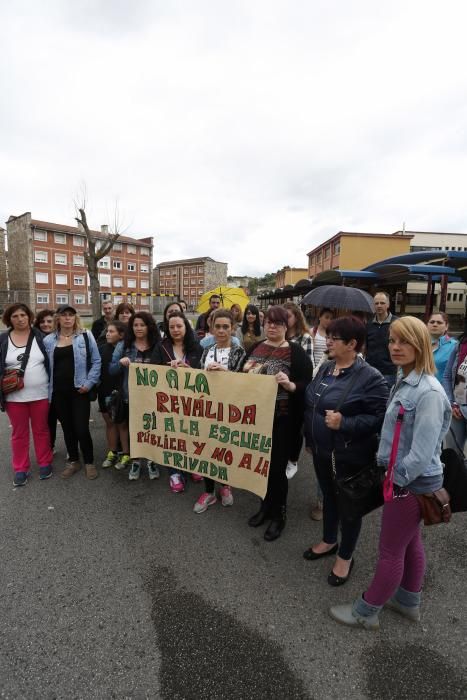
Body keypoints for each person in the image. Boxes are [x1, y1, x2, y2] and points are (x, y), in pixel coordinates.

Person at [330, 316, 451, 630]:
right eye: (393, 340)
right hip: (408, 479)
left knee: (389, 550)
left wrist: (394, 481)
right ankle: (408, 601)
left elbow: (422, 454)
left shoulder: (428, 392)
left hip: (410, 482)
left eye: (404, 342)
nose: (395, 347)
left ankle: (366, 611)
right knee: (410, 543)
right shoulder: (406, 377)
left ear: (420, 345)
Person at [303, 316, 389, 584]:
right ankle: (329, 540)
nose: (327, 341)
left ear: (352, 344)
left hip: (349, 455)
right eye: (328, 335)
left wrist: (346, 423)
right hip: (321, 450)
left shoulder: (370, 377)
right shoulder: (327, 367)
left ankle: (345, 556)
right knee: (329, 496)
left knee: (349, 506)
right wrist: (310, 438)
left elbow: (380, 417)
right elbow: (312, 404)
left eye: (334, 338)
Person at [243, 306, 314, 541]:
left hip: (282, 420)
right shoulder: (255, 348)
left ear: (286, 326)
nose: (272, 326)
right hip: (254, 419)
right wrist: (220, 371)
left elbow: (307, 384)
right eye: (269, 323)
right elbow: (238, 377)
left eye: (278, 323)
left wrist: (291, 386)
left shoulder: (296, 352)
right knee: (260, 467)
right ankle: (265, 507)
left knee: (276, 469)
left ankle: (279, 515)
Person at [193, 309, 246, 514]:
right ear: (211, 327)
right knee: (207, 449)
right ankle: (209, 491)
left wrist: (225, 373)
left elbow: (245, 381)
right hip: (208, 409)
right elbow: (198, 378)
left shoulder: (239, 352)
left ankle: (225, 485)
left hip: (230, 410)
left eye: (226, 326)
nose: (222, 330)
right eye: (218, 326)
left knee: (225, 450)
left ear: (232, 328)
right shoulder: (207, 351)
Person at [43, 304, 101, 480]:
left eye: (71, 315)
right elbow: (45, 367)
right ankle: (74, 461)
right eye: (64, 315)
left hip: (79, 390)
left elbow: (97, 361)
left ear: (75, 318)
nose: (68, 318)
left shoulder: (85, 336)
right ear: (58, 318)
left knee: (81, 428)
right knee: (67, 428)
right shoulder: (49, 340)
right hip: (58, 392)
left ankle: (89, 462)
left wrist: (89, 383)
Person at [0, 303, 53, 486]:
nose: (20, 319)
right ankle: (21, 468)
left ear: (29, 317)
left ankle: (45, 462)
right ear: (9, 319)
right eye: (15, 316)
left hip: (40, 394)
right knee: (19, 433)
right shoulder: (3, 339)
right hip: (14, 397)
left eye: (23, 315)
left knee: (41, 430)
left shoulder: (41, 337)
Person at [151, 311, 203, 493]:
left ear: (186, 327)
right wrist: (168, 368)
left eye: (179, 326)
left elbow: (204, 374)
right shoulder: (160, 347)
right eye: (171, 327)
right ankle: (174, 472)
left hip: (193, 401)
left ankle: (193, 465)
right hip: (169, 402)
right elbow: (153, 372)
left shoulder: (197, 347)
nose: (175, 330)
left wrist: (187, 369)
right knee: (172, 436)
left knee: (192, 434)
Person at [109, 312, 161, 481]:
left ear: (149, 327)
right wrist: (120, 363)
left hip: (153, 397)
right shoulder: (124, 345)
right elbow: (111, 370)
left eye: (142, 325)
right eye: (135, 325)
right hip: (130, 396)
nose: (138, 328)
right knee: (134, 430)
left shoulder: (157, 345)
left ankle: (152, 460)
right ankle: (136, 460)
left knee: (153, 429)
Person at [282, 302, 315, 479]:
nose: (286, 320)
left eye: (289, 316)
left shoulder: (305, 338)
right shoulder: (280, 335)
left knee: (295, 426)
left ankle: (293, 460)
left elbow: (308, 366)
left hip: (297, 386)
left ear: (296, 317)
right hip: (280, 387)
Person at [98, 321, 131, 470]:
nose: (108, 334)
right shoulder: (101, 349)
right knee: (109, 423)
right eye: (107, 331)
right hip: (104, 390)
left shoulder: (127, 350)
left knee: (122, 424)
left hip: (120, 391)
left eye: (112, 331)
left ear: (121, 334)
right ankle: (112, 452)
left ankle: (126, 453)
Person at [33, 309, 58, 451]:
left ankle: (71, 449)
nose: (46, 324)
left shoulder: (62, 337)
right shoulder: (35, 339)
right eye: (42, 321)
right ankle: (50, 446)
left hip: (60, 384)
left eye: (49, 321)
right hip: (42, 386)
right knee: (48, 420)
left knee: (67, 419)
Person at [442, 321, 467, 458]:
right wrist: (452, 403)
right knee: (453, 455)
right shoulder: (460, 345)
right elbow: (447, 376)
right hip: (457, 410)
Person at [365, 291, 398, 387]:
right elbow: (366, 347)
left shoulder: (397, 323)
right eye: (376, 303)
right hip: (370, 371)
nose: (379, 306)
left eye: (382, 303)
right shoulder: (369, 324)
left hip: (390, 372)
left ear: (388, 305)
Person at [427, 311, 457, 382]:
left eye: (439, 322)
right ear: (427, 325)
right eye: (432, 322)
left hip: (441, 390)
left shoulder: (455, 346)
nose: (435, 324)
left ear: (446, 326)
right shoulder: (418, 344)